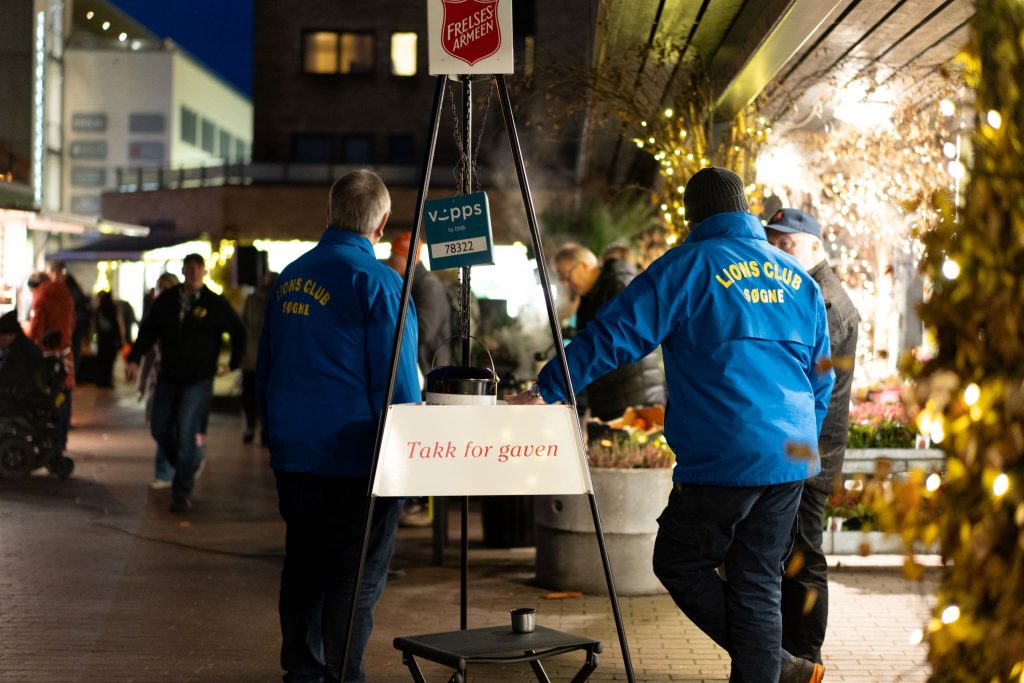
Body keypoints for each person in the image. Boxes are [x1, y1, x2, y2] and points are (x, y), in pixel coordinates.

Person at [513, 167, 834, 683]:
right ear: (745, 210)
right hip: (790, 456)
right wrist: (803, 439)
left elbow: (614, 335)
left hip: (724, 455)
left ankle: (775, 665)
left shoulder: (686, 267)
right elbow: (822, 376)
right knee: (756, 585)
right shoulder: (797, 278)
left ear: (693, 218)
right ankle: (774, 666)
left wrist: (548, 387)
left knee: (679, 561)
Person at [256, 169, 419, 683]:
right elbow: (397, 387)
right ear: (383, 222)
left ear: (330, 213)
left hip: (294, 454)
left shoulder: (290, 276)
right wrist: (408, 461)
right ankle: (343, 676)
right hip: (355, 458)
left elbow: (267, 365)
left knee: (303, 566)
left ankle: (302, 671)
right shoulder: (380, 282)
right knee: (355, 578)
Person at [766, 208, 861, 666]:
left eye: (789, 244)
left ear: (815, 248)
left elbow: (808, 380)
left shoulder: (822, 300)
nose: (780, 251)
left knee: (804, 558)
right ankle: (793, 656)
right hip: (805, 448)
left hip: (812, 452)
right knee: (792, 555)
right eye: (774, 242)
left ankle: (806, 657)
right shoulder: (807, 290)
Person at [125, 254, 246, 513]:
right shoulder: (167, 301)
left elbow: (238, 330)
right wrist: (134, 358)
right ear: (182, 271)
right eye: (189, 268)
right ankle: (187, 465)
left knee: (186, 429)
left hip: (198, 379)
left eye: (198, 268)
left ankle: (181, 493)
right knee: (159, 428)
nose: (193, 273)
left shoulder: (213, 303)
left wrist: (233, 363)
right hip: (169, 375)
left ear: (204, 272)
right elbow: (148, 330)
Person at [553, 242, 665, 420]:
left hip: (634, 400)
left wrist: (552, 383)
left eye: (567, 276)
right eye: (562, 280)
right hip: (614, 398)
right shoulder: (590, 298)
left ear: (583, 264)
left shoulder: (616, 284)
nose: (566, 284)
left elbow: (607, 344)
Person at [137, 273, 181, 489]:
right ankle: (173, 468)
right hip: (160, 379)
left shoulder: (178, 314)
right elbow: (147, 353)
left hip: (179, 380)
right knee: (160, 425)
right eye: (157, 288)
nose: (160, 293)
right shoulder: (156, 314)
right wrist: (141, 383)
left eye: (164, 288)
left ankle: (168, 470)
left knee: (169, 426)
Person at [385, 230, 453, 372]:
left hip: (431, 368)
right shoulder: (410, 284)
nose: (390, 260)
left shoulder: (428, 287)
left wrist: (385, 330)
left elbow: (423, 331)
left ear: (407, 258)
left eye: (395, 255)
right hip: (424, 367)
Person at [27, 262, 76, 452]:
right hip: (65, 354)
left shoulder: (42, 295)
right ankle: (60, 441)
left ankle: (53, 442)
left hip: (49, 356)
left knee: (51, 399)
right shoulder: (66, 293)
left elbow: (36, 330)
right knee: (63, 396)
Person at [240, 270, 278, 444]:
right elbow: (244, 324)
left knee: (260, 395)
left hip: (264, 356)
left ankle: (261, 428)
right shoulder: (253, 300)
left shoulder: (276, 299)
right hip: (254, 355)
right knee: (251, 394)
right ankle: (253, 427)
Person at [0, 310, 47, 418]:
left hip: (24, 399)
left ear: (9, 335)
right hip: (26, 395)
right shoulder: (21, 345)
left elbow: (9, 377)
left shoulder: (19, 351)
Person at [93, 291, 124, 389]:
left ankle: (102, 380)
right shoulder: (111, 309)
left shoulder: (100, 309)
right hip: (110, 341)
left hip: (102, 341)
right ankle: (105, 380)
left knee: (102, 361)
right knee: (108, 362)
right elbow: (116, 326)